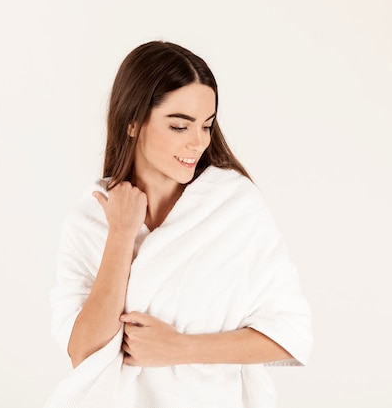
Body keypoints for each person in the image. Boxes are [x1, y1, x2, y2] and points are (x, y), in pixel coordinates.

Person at [45, 41, 312, 408]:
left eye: (206, 125)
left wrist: (180, 348)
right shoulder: (91, 219)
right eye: (179, 126)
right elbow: (83, 354)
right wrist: (121, 235)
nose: (198, 142)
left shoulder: (233, 207)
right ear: (133, 121)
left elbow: (290, 334)